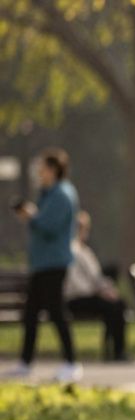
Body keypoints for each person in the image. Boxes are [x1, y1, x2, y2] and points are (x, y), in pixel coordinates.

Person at [6, 148, 80, 382]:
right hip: (41, 263)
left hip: (54, 263)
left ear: (54, 169)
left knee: (57, 312)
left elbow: (49, 226)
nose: (40, 173)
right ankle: (25, 362)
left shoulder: (62, 195)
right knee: (31, 314)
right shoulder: (48, 193)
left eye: (44, 168)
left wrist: (31, 216)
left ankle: (71, 362)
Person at [65, 211, 128, 361]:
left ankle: (117, 350)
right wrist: (99, 292)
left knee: (119, 304)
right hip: (77, 299)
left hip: (92, 295)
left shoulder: (85, 251)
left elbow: (97, 276)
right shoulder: (70, 251)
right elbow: (76, 283)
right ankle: (116, 351)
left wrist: (107, 290)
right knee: (113, 306)